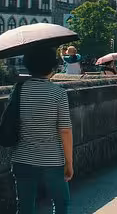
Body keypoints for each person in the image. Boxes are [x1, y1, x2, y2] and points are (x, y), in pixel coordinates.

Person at [10, 47, 73, 214]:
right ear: (52, 67)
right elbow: (65, 131)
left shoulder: (18, 91)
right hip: (52, 160)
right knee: (61, 203)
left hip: (22, 158)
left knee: (25, 206)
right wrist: (69, 163)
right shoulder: (59, 93)